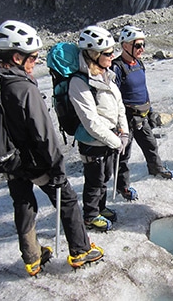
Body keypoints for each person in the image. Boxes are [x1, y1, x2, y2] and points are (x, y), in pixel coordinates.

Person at [0, 20, 103, 276]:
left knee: (23, 203)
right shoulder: (23, 88)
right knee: (68, 200)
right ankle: (81, 251)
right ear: (17, 57)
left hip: (7, 158)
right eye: (32, 58)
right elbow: (44, 135)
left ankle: (32, 258)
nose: (35, 63)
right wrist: (57, 168)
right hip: (33, 160)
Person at [67, 26, 128, 232]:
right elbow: (90, 121)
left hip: (109, 137)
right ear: (94, 55)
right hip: (92, 142)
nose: (113, 56)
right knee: (94, 180)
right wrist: (116, 140)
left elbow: (118, 104)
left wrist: (124, 131)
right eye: (108, 53)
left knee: (106, 176)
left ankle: (100, 208)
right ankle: (90, 216)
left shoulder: (105, 74)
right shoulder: (79, 82)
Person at [112, 25, 173, 202]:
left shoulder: (139, 63)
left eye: (143, 44)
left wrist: (151, 110)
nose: (142, 49)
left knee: (150, 144)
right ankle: (122, 187)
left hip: (143, 115)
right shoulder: (117, 68)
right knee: (124, 155)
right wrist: (118, 123)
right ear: (125, 46)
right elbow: (113, 98)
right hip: (126, 118)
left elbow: (143, 89)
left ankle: (156, 169)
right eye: (138, 45)